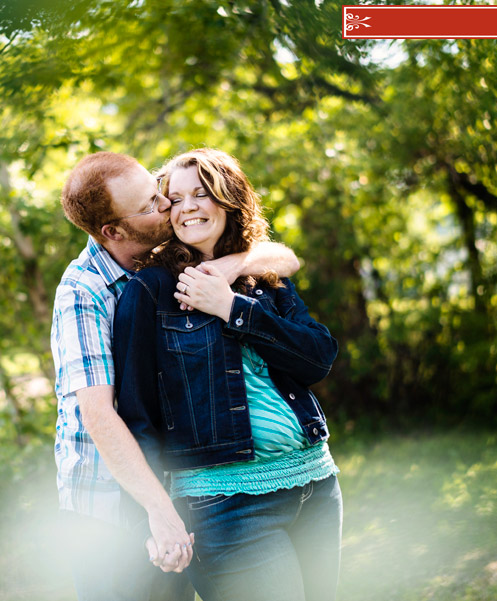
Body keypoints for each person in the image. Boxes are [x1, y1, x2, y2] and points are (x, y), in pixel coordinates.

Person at [52, 151, 301, 601]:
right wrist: (159, 511)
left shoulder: (164, 255)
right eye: (153, 204)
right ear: (113, 231)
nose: (169, 206)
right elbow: (98, 416)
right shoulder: (82, 291)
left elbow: (282, 256)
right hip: (109, 506)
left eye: (158, 191)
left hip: (177, 490)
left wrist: (234, 264)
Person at [113, 148, 342, 601]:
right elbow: (137, 418)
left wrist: (233, 308)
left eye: (202, 193)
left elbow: (318, 359)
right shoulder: (152, 291)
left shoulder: (263, 276)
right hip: (224, 506)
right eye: (174, 199)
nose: (188, 207)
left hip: (315, 485)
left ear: (229, 199)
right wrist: (152, 519)